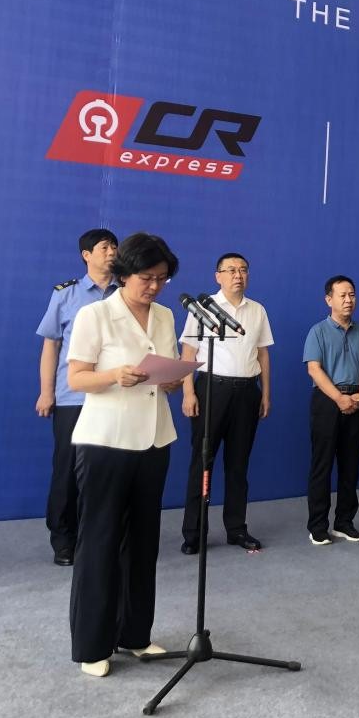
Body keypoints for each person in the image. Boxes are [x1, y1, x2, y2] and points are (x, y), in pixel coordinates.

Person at [66, 232, 182, 677]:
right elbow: (77, 378)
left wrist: (173, 380)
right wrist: (116, 374)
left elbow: (167, 372)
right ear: (123, 274)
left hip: (154, 438)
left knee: (144, 543)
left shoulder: (166, 316)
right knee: (99, 543)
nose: (154, 286)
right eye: (146, 278)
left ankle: (135, 634)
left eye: (161, 278)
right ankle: (92, 644)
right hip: (106, 441)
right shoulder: (95, 314)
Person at [179, 252, 273, 554]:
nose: (238, 275)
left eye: (243, 270)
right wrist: (188, 392)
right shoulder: (202, 308)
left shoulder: (257, 310)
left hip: (247, 392)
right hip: (211, 390)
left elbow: (263, 354)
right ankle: (194, 533)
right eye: (231, 270)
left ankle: (237, 528)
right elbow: (188, 353)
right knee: (202, 462)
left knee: (238, 465)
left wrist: (265, 393)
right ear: (217, 276)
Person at [35, 228, 118, 567]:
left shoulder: (126, 293)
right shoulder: (66, 295)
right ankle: (63, 539)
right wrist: (47, 392)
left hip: (114, 397)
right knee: (67, 471)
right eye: (104, 247)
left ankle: (97, 536)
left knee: (107, 471)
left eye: (114, 246)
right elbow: (50, 346)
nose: (111, 252)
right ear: (86, 255)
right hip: (73, 397)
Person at [303, 275, 359, 545]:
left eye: (352, 295)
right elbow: (314, 369)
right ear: (329, 299)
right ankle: (318, 526)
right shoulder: (318, 331)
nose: (348, 300)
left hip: (357, 399)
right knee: (322, 465)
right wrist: (338, 398)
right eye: (342, 295)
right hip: (327, 401)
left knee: (351, 465)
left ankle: (344, 522)